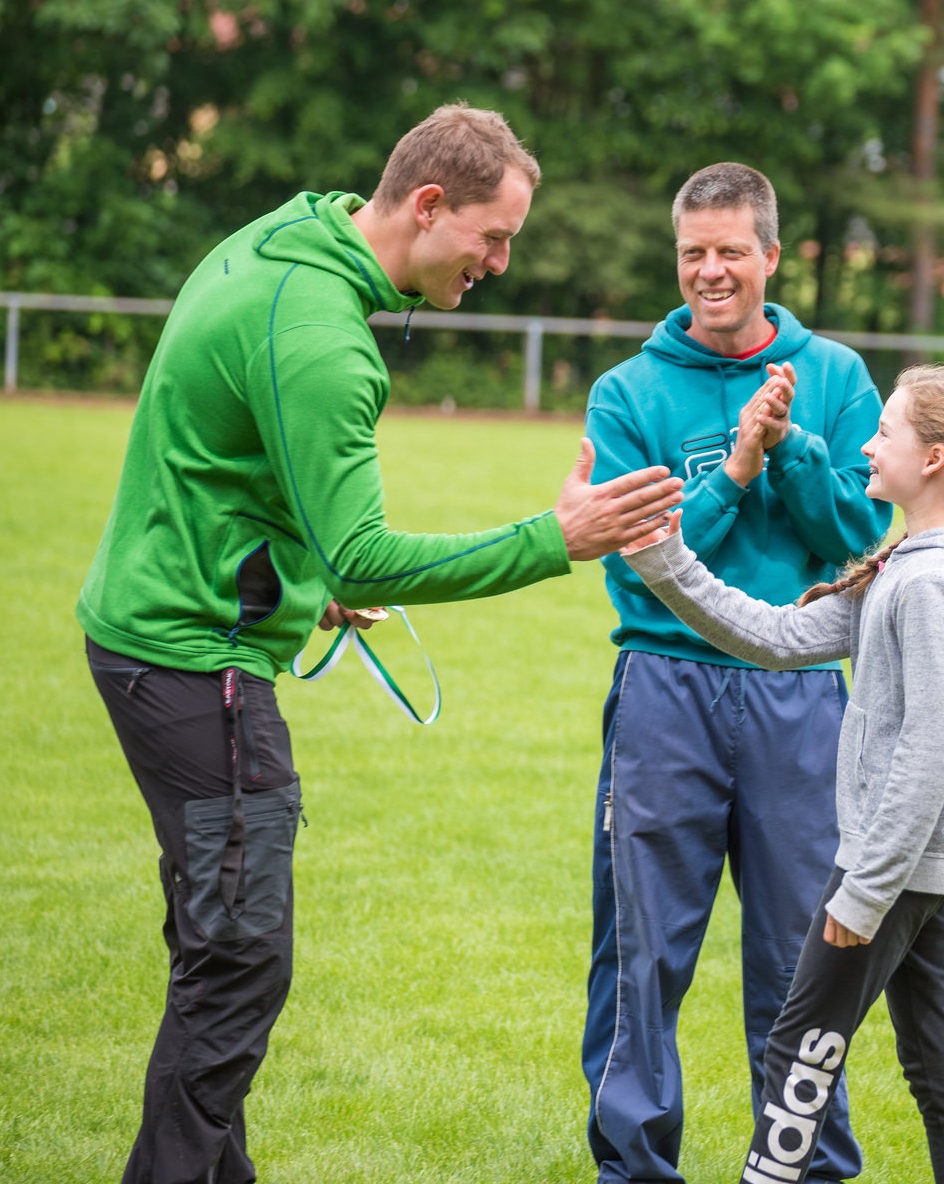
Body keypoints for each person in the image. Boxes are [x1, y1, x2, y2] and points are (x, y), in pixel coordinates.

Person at [77, 104, 684, 1184]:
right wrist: (562, 536)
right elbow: (360, 554)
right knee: (241, 962)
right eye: (492, 237)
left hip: (154, 630)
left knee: (221, 949)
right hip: (191, 662)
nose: (500, 262)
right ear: (427, 204)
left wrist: (294, 583)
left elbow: (220, 457)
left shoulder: (287, 236)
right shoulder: (325, 339)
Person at [619, 364, 944, 1184]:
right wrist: (665, 560)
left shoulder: (927, 584)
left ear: (934, 459)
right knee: (938, 1072)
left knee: (797, 1055)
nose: (865, 445)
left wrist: (864, 892)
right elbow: (778, 636)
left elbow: (930, 749)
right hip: (923, 869)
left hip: (891, 869)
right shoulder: (906, 565)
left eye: (885, 431)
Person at [579, 162, 891, 1184]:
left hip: (799, 693)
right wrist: (738, 469)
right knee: (641, 953)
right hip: (665, 686)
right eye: (691, 254)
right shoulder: (624, 393)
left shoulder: (837, 379)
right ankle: (632, 1168)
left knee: (807, 952)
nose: (709, 272)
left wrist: (791, 444)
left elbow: (859, 539)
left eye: (728, 252)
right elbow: (642, 576)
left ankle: (803, 1163)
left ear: (769, 255)